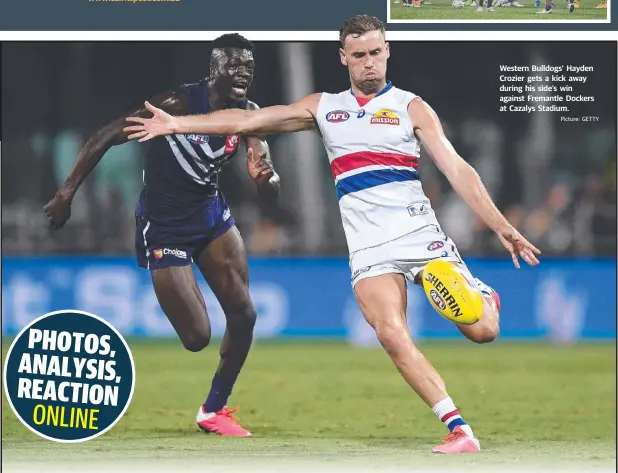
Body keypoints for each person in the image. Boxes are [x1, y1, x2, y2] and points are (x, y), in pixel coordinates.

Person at [123, 15, 541, 454]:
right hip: (368, 251)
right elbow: (249, 120)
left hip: (420, 236)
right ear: (344, 58)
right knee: (391, 333)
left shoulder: (410, 106)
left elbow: (457, 168)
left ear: (387, 51)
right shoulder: (324, 108)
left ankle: (483, 295)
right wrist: (176, 124)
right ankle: (459, 430)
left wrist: (501, 226)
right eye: (358, 55)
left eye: (375, 53)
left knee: (483, 331)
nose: (369, 64)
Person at [43, 33, 280, 437]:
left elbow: (270, 186)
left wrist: (266, 179)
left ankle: (214, 410)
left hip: (211, 215)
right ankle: (178, 277)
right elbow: (106, 136)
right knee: (196, 337)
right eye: (234, 65)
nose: (242, 73)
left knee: (244, 314)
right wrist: (66, 193)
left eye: (249, 67)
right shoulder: (177, 104)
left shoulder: (250, 114)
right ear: (213, 69)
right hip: (165, 223)